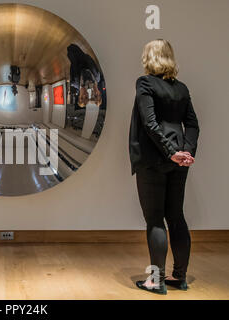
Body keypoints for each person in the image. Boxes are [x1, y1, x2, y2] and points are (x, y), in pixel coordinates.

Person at [129, 39, 200, 294]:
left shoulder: (145, 83)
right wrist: (186, 152)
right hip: (179, 160)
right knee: (176, 216)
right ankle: (179, 277)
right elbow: (192, 124)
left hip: (154, 160)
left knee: (155, 220)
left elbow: (149, 123)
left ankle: (156, 281)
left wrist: (171, 153)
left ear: (150, 58)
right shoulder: (181, 89)